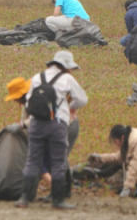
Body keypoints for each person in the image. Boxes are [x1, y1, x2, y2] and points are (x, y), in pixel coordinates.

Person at [15, 50, 87, 210]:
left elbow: (28, 101)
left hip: (36, 124)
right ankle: (58, 200)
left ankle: (25, 198)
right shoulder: (67, 78)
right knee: (58, 162)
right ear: (66, 67)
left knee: (32, 160)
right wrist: (70, 108)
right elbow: (82, 99)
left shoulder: (36, 77)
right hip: (57, 124)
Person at [6, 76, 80, 196]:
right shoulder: (28, 100)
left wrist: (21, 126)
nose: (15, 101)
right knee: (56, 159)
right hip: (56, 126)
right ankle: (62, 191)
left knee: (58, 158)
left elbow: (37, 118)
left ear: (22, 94)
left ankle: (61, 192)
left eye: (16, 98)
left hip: (67, 126)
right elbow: (29, 119)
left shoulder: (37, 96)